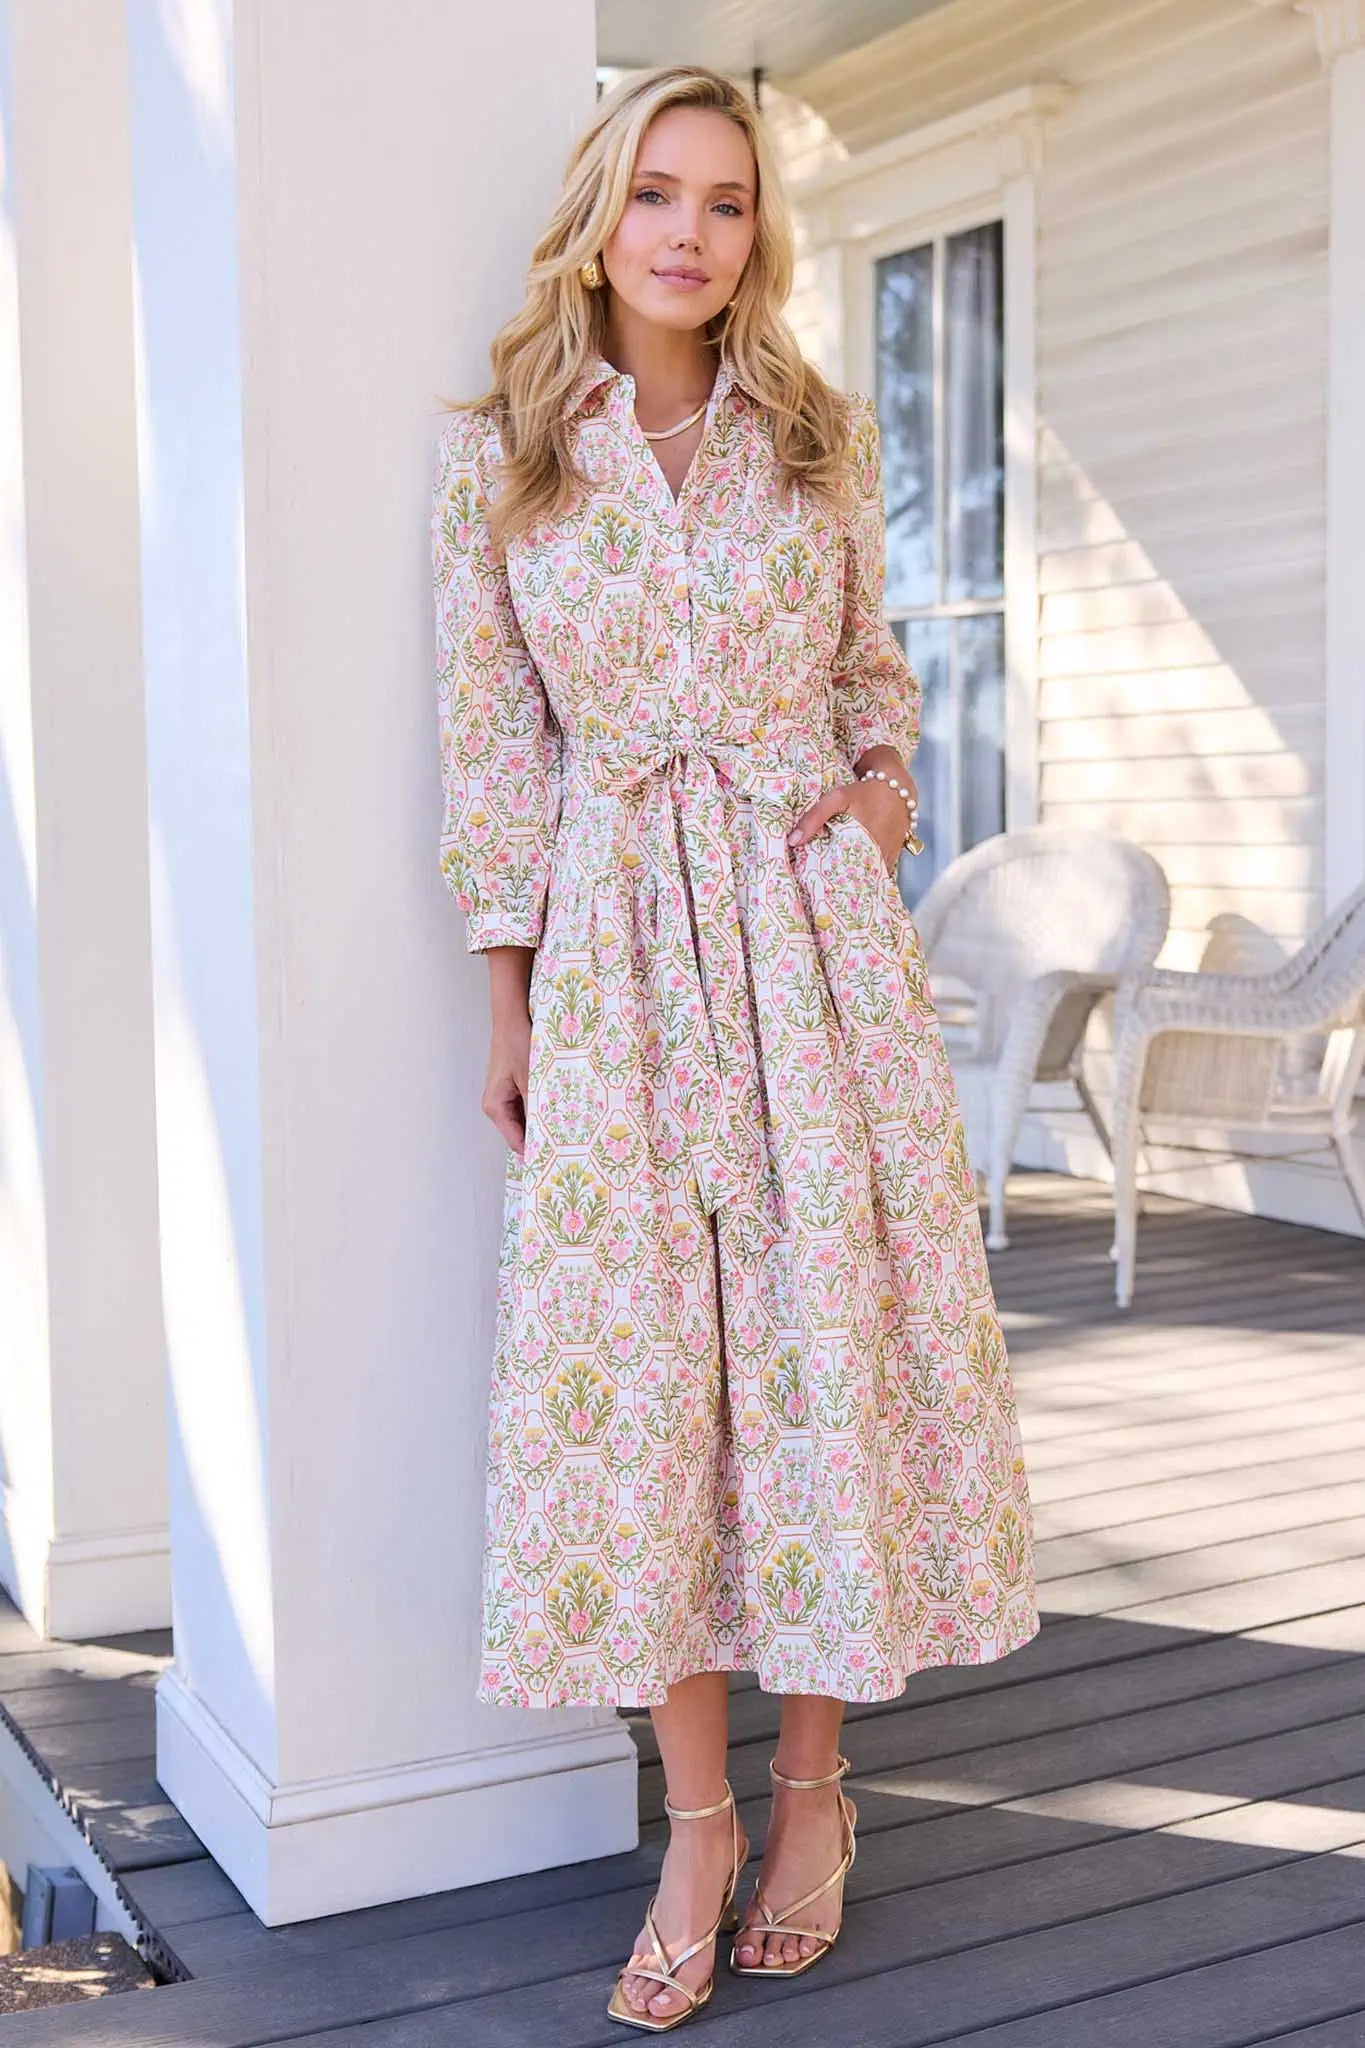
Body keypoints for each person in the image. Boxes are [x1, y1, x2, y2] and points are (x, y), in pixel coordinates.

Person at [432, 62, 1040, 2034]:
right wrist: (505, 987)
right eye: (654, 194)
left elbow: (881, 684)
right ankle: (688, 1821)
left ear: (753, 234)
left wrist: (873, 800)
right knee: (650, 1390)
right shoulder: (504, 460)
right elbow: (492, 749)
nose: (687, 232)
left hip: (805, 954)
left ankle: (808, 1797)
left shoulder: (821, 438)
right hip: (616, 956)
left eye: (723, 201)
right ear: (599, 217)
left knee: (807, 1359)